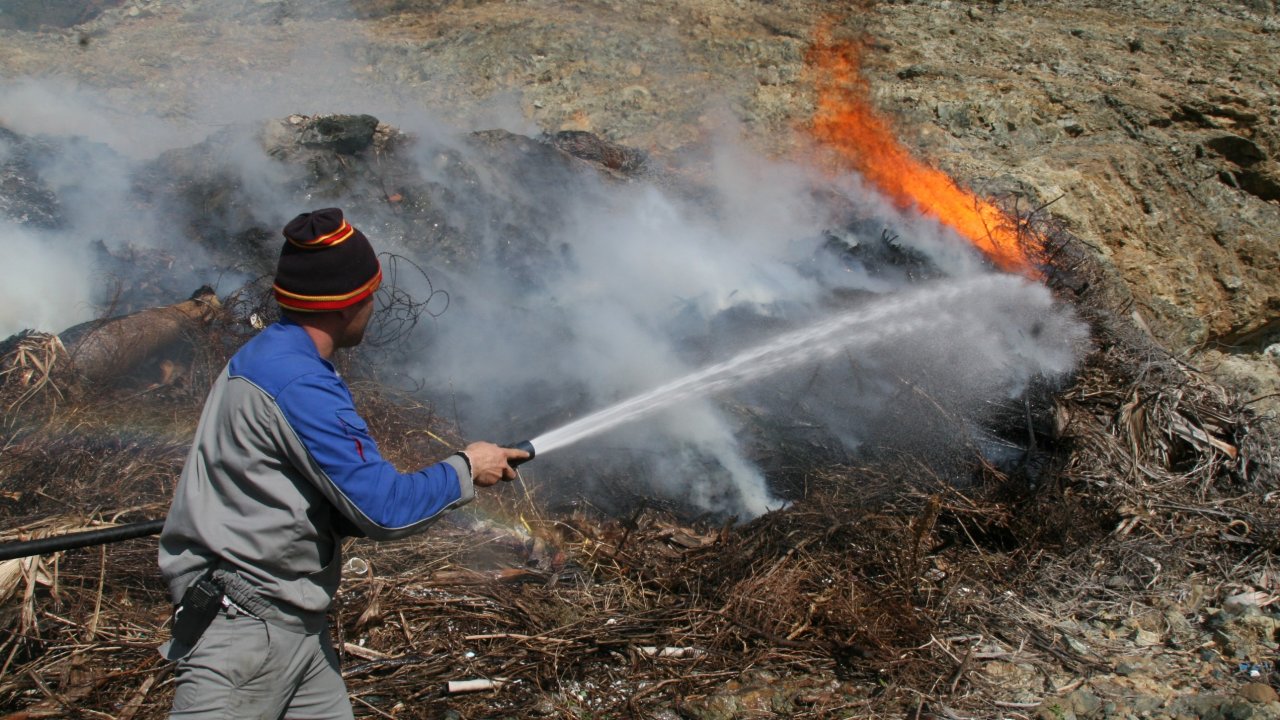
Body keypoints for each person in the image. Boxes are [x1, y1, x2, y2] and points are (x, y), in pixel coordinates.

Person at [157, 208, 527, 719]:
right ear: (345, 303)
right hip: (246, 633)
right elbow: (385, 510)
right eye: (369, 293)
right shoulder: (300, 384)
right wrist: (467, 467)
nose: (374, 305)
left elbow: (303, 493)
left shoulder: (268, 355)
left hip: (291, 624)